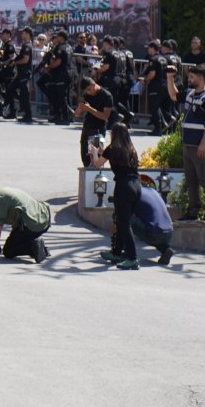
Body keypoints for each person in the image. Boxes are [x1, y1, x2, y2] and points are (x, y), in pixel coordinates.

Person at [89, 124, 144, 270]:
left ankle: (132, 258)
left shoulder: (112, 148)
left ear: (114, 134)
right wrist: (102, 151)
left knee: (124, 223)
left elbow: (97, 163)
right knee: (121, 220)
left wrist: (94, 152)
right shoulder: (131, 149)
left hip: (124, 187)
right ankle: (117, 252)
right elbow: (112, 157)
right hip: (136, 186)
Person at [179, 67, 205, 222]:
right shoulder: (190, 93)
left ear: (201, 78)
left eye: (191, 77)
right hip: (188, 144)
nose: (189, 80)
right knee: (192, 180)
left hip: (201, 146)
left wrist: (203, 143)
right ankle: (193, 212)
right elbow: (174, 95)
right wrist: (169, 78)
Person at [0, 185, 52, 262]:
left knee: (8, 251)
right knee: (17, 240)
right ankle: (40, 249)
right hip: (44, 220)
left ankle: (34, 247)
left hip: (31, 225)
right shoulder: (3, 192)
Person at [74, 77, 113, 167]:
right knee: (85, 158)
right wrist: (80, 109)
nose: (88, 92)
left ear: (93, 84)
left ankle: (97, 179)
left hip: (98, 130)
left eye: (89, 89)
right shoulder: (86, 95)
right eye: (86, 91)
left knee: (96, 159)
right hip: (87, 127)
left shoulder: (106, 96)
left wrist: (90, 109)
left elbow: (105, 116)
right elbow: (77, 114)